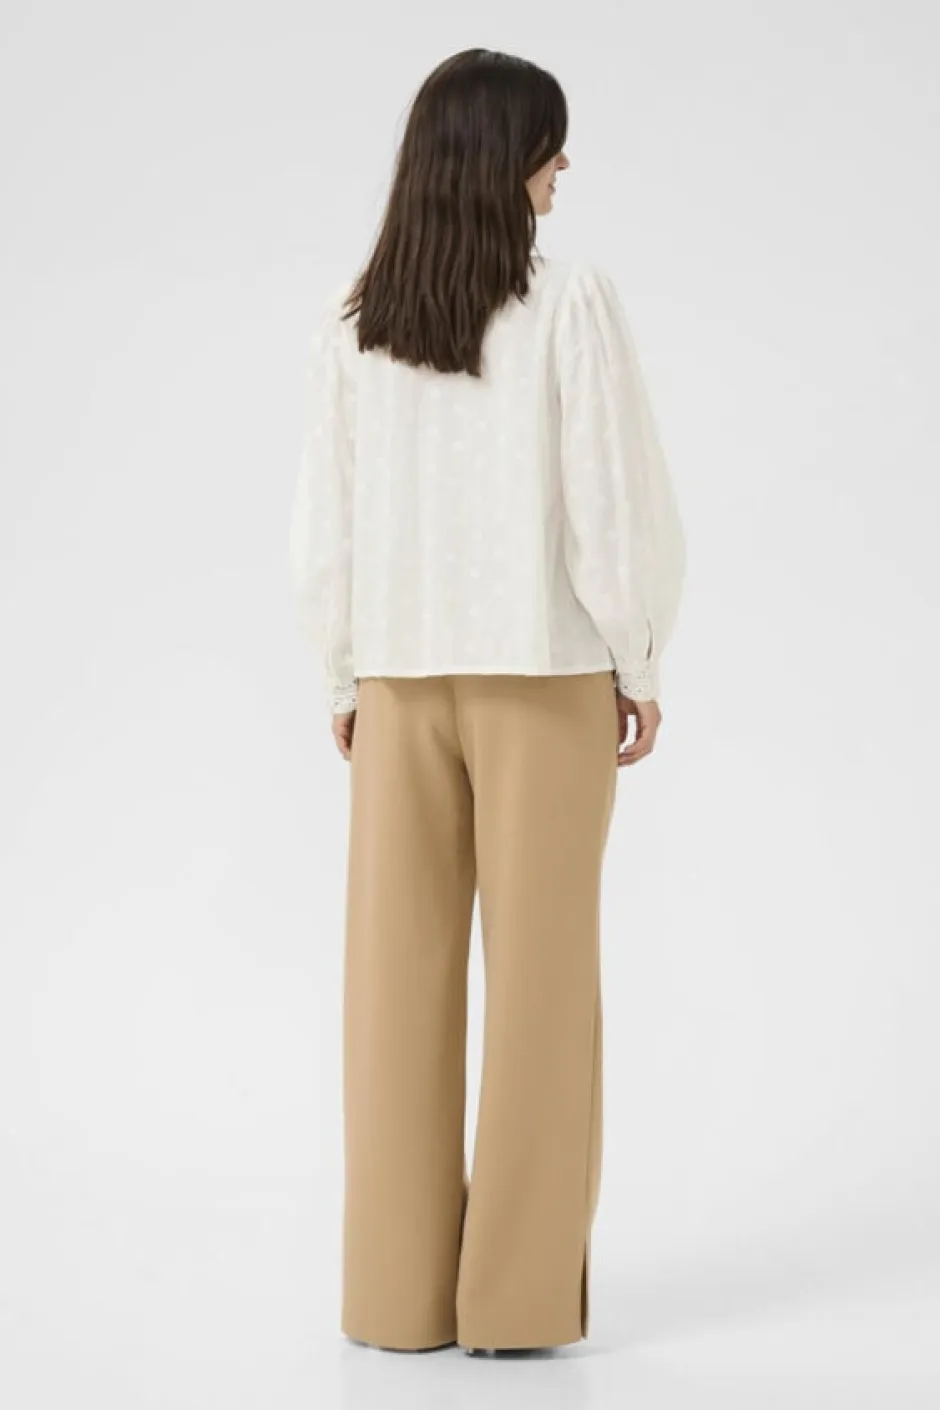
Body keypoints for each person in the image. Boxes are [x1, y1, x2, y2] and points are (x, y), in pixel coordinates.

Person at [289, 47, 686, 1357]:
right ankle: (513, 1304)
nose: (564, 167)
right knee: (542, 990)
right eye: (550, 146)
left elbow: (328, 520)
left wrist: (344, 666)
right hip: (543, 677)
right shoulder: (568, 305)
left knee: (393, 988)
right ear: (507, 158)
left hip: (400, 687)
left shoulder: (358, 322)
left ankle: (395, 1299)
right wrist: (638, 657)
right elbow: (610, 499)